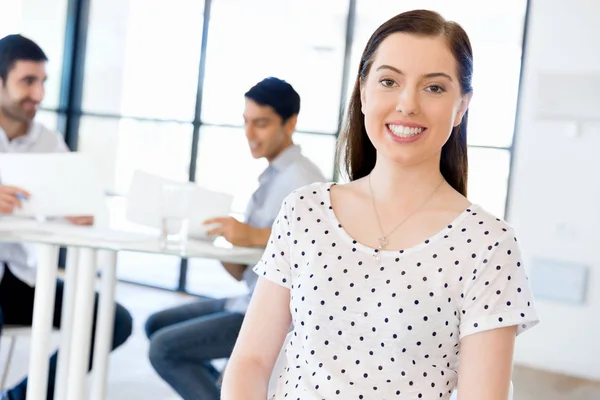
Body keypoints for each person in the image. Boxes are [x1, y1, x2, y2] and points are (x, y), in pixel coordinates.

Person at [222, 10, 540, 400]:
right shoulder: (304, 210)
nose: (407, 104)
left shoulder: (488, 244)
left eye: (434, 88)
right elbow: (250, 362)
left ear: (462, 106)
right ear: (364, 92)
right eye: (389, 81)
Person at [144, 77, 326, 400]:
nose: (249, 134)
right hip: (246, 298)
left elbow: (316, 246)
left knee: (164, 349)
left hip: (272, 314)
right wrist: (213, 238)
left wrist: (249, 235)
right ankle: (223, 390)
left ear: (290, 123)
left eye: (261, 123)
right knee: (156, 323)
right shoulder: (268, 180)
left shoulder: (302, 179)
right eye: (245, 122)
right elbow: (242, 270)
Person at [0, 34, 133, 400]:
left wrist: (79, 213)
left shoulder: (49, 142)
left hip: (25, 277)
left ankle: (19, 397)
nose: (39, 94)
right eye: (28, 81)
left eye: (43, 82)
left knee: (110, 319)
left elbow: (73, 207)